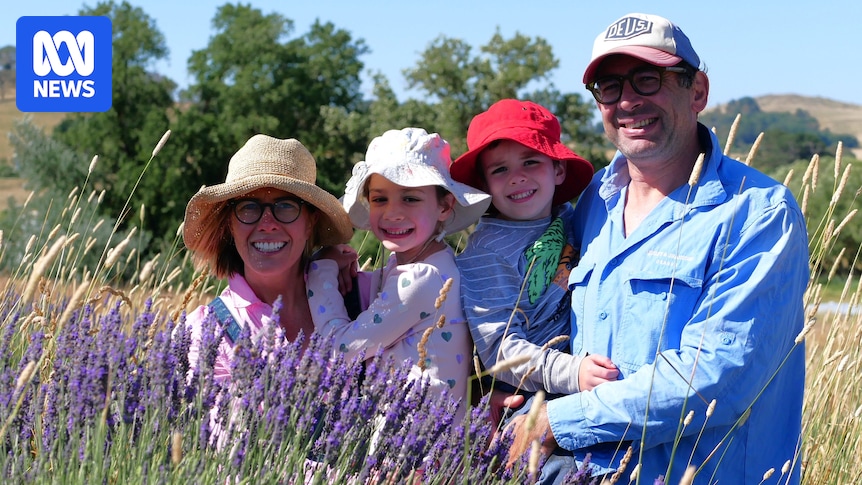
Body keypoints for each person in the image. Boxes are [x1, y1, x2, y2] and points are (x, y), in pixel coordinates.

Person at [505, 13, 808, 484]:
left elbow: (715, 379)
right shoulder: (592, 205)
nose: (627, 101)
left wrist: (557, 422)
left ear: (698, 91)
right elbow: (543, 318)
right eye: (609, 86)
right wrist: (520, 391)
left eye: (648, 80)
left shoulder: (759, 212)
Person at [307, 127, 491, 422]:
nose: (393, 213)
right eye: (380, 199)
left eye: (410, 199)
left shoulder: (420, 279)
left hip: (413, 448)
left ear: (444, 205)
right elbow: (385, 298)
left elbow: (339, 348)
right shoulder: (429, 263)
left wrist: (321, 267)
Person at [450, 99, 617, 409]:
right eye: (500, 169)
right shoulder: (485, 253)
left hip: (583, 373)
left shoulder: (571, 217)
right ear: (484, 185)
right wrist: (571, 372)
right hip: (527, 391)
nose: (517, 177)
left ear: (558, 169)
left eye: (530, 162)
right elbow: (499, 349)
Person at [182, 134, 353, 382]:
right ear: (230, 224)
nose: (267, 224)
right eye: (249, 207)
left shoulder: (362, 297)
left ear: (310, 222)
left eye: (285, 206)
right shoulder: (203, 333)